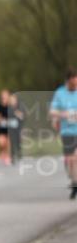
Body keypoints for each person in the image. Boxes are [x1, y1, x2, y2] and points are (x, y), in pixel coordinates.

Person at [50, 69, 77, 200]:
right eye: (73, 85)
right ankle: (74, 182)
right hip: (67, 131)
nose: (75, 87)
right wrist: (64, 115)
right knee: (70, 161)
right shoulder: (60, 93)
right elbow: (52, 112)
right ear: (68, 81)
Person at [0, 89, 13, 165]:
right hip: (1, 128)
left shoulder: (12, 106)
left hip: (10, 128)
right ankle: (2, 153)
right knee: (1, 143)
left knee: (9, 142)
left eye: (5, 95)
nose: (4, 97)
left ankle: (8, 156)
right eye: (3, 95)